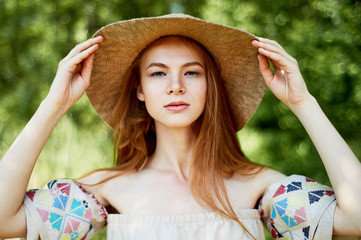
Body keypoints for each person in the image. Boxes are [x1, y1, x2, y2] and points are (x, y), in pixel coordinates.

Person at [0, 14, 360, 240]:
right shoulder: (107, 192)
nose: (176, 85)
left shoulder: (258, 187)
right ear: (139, 90)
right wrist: (54, 105)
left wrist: (303, 104)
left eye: (191, 72)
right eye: (158, 73)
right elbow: (4, 221)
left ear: (210, 86)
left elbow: (356, 222)